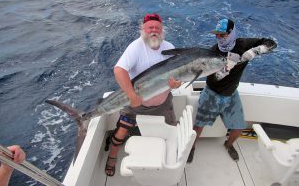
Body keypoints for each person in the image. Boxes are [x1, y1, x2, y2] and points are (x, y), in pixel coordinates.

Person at [188, 18, 277, 163]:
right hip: (212, 94)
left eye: (223, 35)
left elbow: (271, 43)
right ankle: (191, 148)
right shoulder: (212, 52)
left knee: (238, 128)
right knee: (198, 127)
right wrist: (223, 71)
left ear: (232, 33)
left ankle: (228, 145)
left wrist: (256, 50)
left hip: (231, 94)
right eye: (217, 35)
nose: (219, 38)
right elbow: (213, 78)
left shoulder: (243, 44)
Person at [105, 13, 181, 176]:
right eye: (150, 27)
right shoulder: (135, 47)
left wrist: (175, 84)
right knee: (120, 133)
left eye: (157, 28)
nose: (154, 31)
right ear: (143, 29)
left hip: (163, 105)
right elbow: (119, 70)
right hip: (135, 107)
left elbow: (175, 76)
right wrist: (132, 96)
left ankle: (171, 159)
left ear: (162, 30)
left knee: (172, 131)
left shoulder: (169, 47)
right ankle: (112, 157)